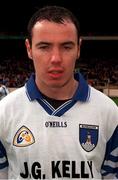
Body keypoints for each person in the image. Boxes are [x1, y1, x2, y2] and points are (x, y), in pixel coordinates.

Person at [0, 5, 118, 179]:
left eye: (66, 47)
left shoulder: (109, 113)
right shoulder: (4, 113)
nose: (56, 58)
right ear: (29, 48)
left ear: (79, 48)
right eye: (44, 47)